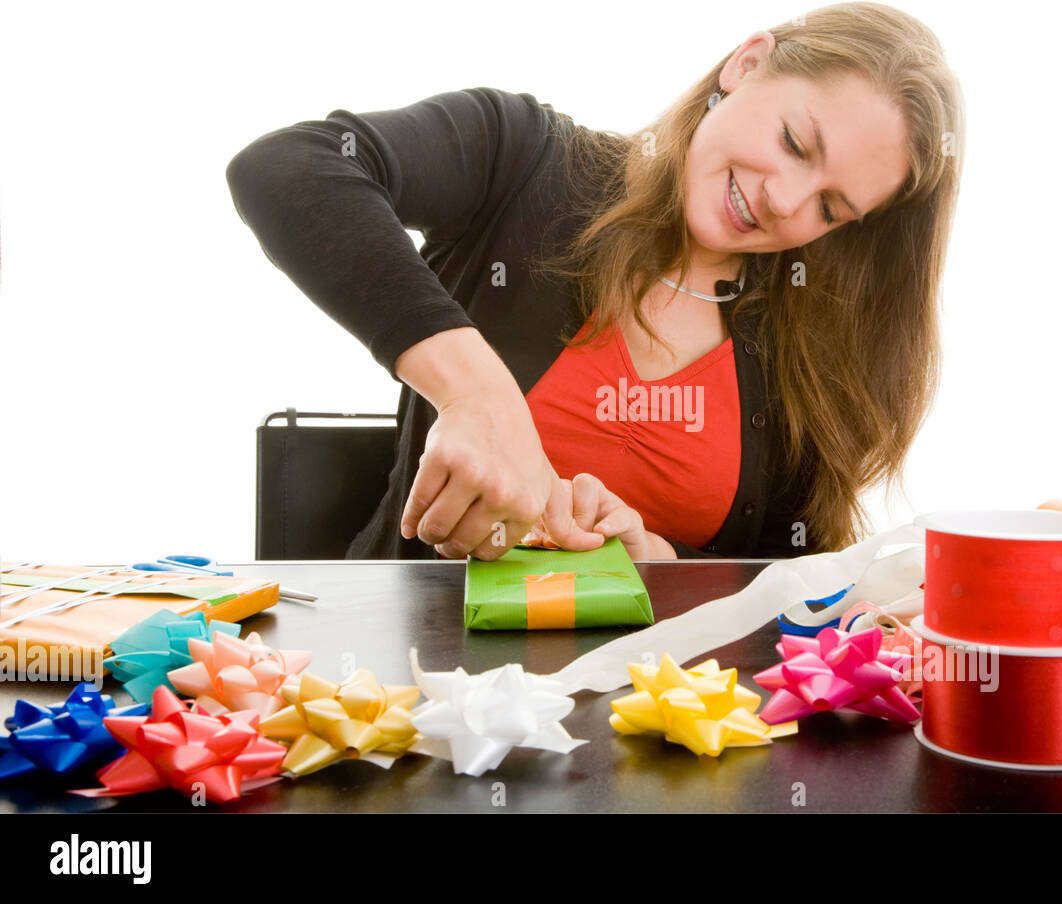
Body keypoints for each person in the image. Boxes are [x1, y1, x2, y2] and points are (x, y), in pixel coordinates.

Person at [225, 2, 964, 562]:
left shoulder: (808, 342)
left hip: (654, 715)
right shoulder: (522, 160)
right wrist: (478, 394)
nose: (784, 201)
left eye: (830, 209)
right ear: (747, 64)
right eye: (795, 142)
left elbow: (781, 598)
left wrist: (662, 565)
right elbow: (290, 168)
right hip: (412, 689)